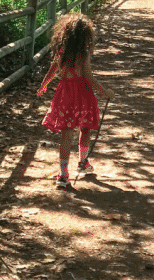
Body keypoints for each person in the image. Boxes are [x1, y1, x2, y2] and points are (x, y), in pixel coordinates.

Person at [37, 13, 114, 189]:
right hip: (83, 94)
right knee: (85, 127)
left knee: (67, 132)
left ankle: (63, 175)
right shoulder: (83, 52)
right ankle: (82, 161)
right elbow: (88, 77)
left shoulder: (62, 50)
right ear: (85, 35)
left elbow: (53, 69)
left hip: (65, 94)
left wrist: (44, 85)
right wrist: (105, 91)